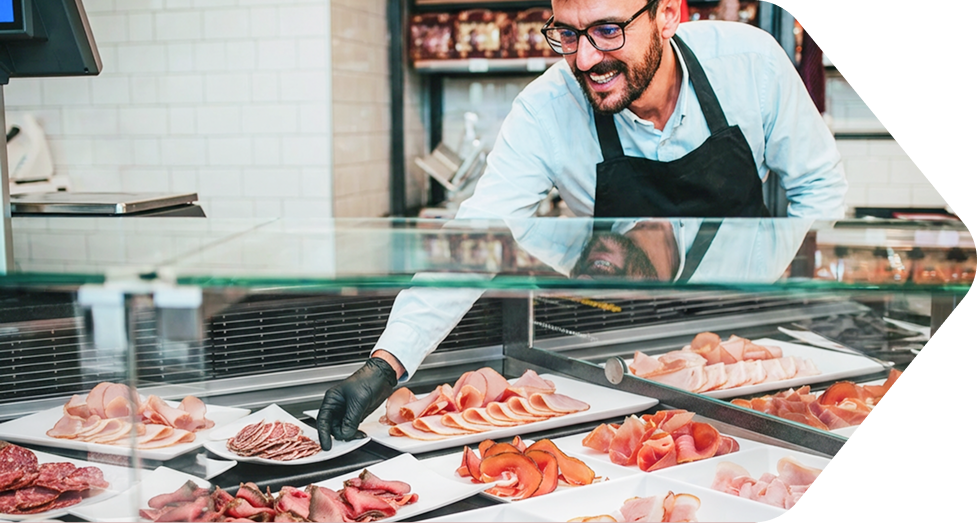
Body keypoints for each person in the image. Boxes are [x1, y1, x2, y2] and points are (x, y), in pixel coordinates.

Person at [316, 0, 847, 450]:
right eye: (567, 34)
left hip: (752, 340)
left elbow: (820, 188)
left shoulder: (750, 63)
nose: (586, 58)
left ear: (667, 14)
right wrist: (386, 364)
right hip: (622, 347)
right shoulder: (546, 110)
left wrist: (781, 292)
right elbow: (478, 238)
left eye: (608, 30)